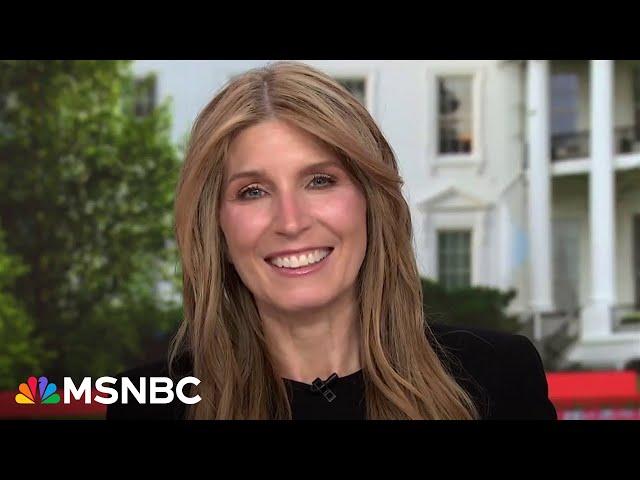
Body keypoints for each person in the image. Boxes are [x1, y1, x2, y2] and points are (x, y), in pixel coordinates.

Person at [107, 61, 557, 420]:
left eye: (320, 181)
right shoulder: (149, 406)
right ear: (217, 228)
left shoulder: (497, 376)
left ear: (370, 203)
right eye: (253, 191)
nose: (291, 222)